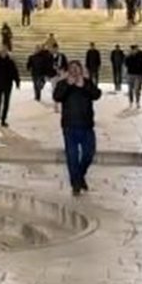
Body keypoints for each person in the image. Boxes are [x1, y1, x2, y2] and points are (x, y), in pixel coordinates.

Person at [53, 62, 102, 195]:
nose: (74, 72)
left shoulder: (87, 82)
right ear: (68, 71)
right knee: (72, 156)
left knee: (89, 154)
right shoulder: (63, 84)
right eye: (72, 69)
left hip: (86, 126)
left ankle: (79, 176)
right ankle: (76, 183)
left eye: (77, 69)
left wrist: (85, 85)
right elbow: (57, 96)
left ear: (81, 70)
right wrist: (68, 85)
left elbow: (97, 94)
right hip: (69, 126)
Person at [0, 47, 21, 127]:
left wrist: (17, 82)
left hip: (7, 84)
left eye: (5, 52)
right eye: (2, 52)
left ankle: (3, 119)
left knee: (6, 102)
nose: (4, 53)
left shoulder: (10, 62)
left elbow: (15, 72)